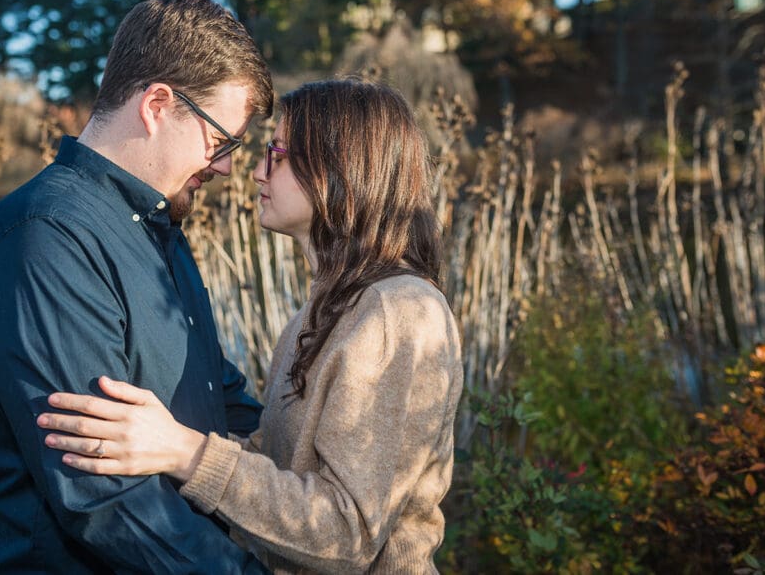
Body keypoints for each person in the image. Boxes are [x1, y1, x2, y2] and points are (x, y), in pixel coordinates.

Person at [37, 79, 465, 573]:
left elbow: (348, 535)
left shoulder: (399, 311)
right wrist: (148, 440)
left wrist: (184, 451)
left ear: (341, 169)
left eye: (277, 154)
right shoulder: (323, 311)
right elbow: (278, 464)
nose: (257, 172)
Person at [0, 0, 274, 573]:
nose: (226, 166)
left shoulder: (157, 229)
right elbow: (100, 494)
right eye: (221, 141)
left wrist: (313, 495)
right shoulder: (46, 238)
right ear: (157, 105)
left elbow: (216, 398)